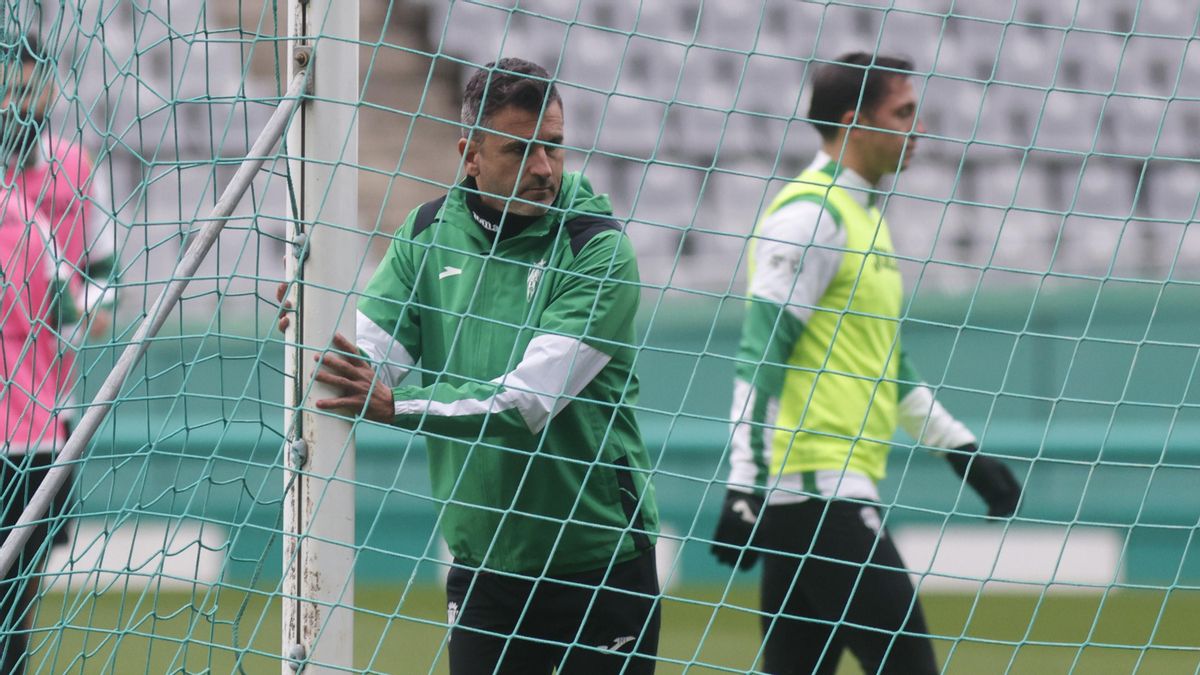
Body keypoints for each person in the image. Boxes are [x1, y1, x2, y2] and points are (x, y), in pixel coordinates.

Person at [278, 58, 660, 674]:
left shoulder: (597, 250)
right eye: (522, 150)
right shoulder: (426, 235)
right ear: (471, 153)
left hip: (598, 565)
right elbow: (367, 361)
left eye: (555, 148)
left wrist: (399, 405)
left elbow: (526, 403)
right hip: (484, 570)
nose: (544, 168)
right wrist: (313, 322)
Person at [710, 52, 1023, 675]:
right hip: (817, 494)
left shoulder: (864, 220)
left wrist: (963, 453)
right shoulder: (810, 216)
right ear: (855, 123)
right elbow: (762, 350)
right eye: (904, 113)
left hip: (815, 499)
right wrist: (744, 483)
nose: (920, 127)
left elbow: (890, 368)